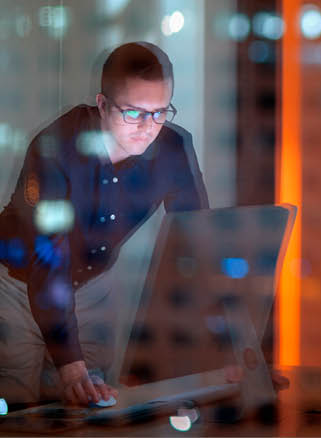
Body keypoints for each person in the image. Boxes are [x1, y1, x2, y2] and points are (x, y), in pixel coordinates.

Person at [0, 42, 208, 406]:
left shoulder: (173, 149)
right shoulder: (55, 148)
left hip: (94, 288)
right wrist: (71, 367)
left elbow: (199, 243)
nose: (148, 128)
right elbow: (47, 261)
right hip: (16, 285)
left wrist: (239, 351)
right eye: (133, 113)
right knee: (15, 404)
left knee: (92, 406)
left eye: (160, 112)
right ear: (102, 104)